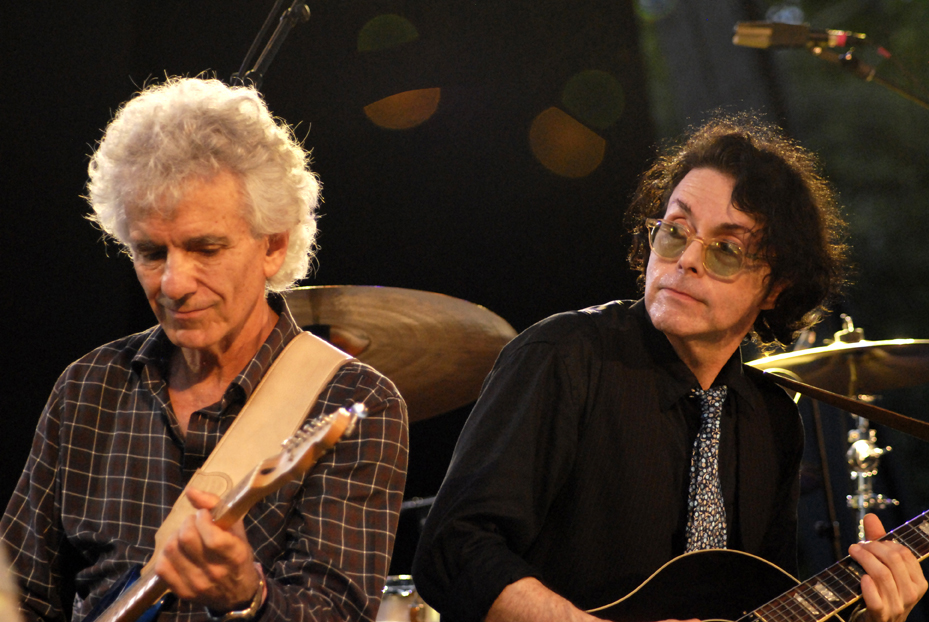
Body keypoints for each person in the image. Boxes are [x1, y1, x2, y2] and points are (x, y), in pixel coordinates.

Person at [411, 113, 927, 622]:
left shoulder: (772, 419)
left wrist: (869, 620)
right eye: (676, 231)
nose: (687, 260)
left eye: (726, 249)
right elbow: (453, 549)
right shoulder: (564, 355)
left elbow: (760, 604)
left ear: (776, 288)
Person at [1, 77, 409, 622]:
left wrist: (248, 598)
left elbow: (335, 613)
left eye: (205, 248)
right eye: (151, 253)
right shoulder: (88, 387)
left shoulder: (355, 401)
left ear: (274, 245)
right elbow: (21, 594)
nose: (173, 284)